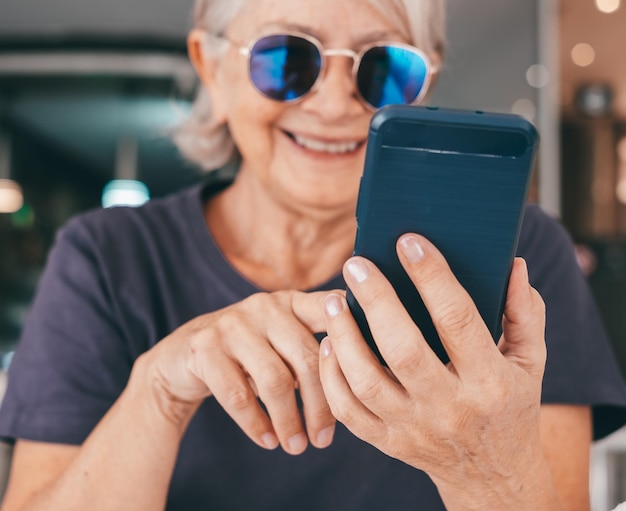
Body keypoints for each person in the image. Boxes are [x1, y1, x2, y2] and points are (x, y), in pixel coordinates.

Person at [0, 0, 625, 510]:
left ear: (424, 80)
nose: (333, 103)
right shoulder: (106, 258)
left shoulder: (523, 252)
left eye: (383, 67)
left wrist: (487, 470)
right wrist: (160, 390)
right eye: (286, 59)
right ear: (210, 68)